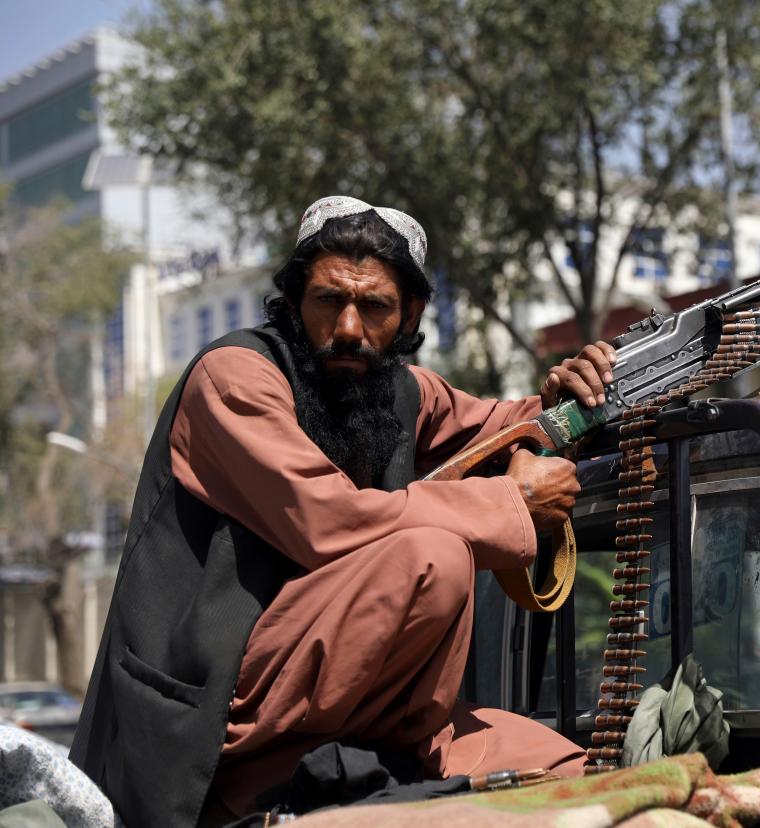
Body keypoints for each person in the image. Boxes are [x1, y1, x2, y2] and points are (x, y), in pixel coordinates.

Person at [70, 196, 618, 827]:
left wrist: (568, 395)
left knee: (579, 773)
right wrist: (509, 502)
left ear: (410, 312)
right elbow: (328, 522)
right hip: (219, 720)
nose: (350, 328)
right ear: (296, 301)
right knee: (431, 557)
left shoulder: (403, 392)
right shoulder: (234, 379)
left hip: (359, 718)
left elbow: (503, 427)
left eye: (375, 307)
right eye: (329, 301)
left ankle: (382, 768)